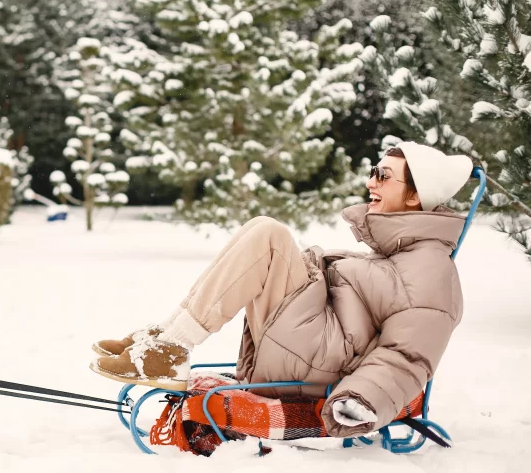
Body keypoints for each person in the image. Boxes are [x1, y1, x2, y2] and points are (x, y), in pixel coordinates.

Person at [91, 142, 474, 438]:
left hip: (319, 366)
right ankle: (167, 339)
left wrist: (360, 400)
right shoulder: (397, 255)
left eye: (384, 175)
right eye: (374, 171)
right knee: (264, 233)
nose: (370, 182)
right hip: (308, 346)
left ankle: (171, 349)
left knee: (269, 236)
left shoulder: (431, 271)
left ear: (414, 197)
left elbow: (406, 357)